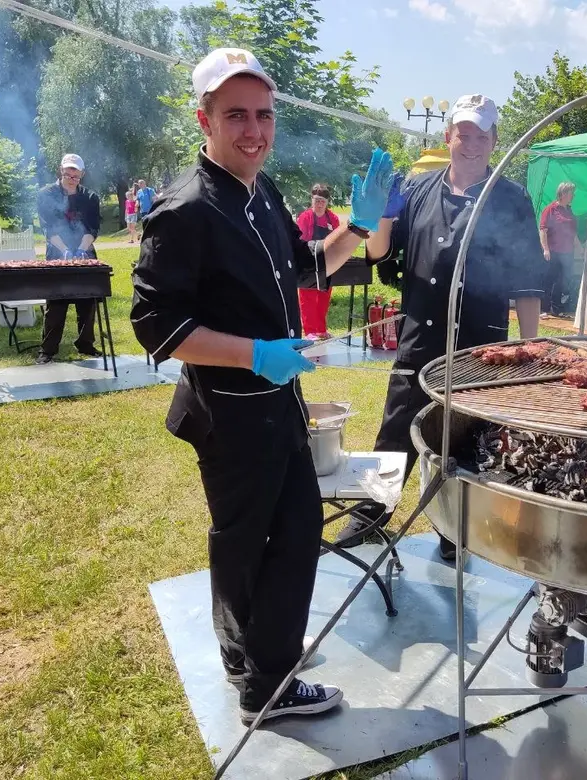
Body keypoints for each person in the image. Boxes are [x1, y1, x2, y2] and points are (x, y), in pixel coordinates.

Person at [130, 47, 393, 726]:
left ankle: (254, 652)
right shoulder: (184, 210)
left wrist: (357, 227)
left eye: (264, 115)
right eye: (236, 115)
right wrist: (254, 354)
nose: (254, 129)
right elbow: (155, 325)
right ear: (205, 120)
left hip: (280, 405)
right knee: (251, 538)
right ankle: (266, 687)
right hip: (229, 411)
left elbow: (309, 269)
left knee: (287, 530)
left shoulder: (262, 191)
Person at [335, 93, 546, 560]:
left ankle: (456, 531)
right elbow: (379, 257)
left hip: (479, 345)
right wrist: (385, 215)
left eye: (482, 136)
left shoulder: (511, 200)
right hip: (419, 338)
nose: (471, 143)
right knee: (396, 429)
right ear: (449, 135)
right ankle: (370, 516)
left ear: (494, 142)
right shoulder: (418, 190)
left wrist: (531, 354)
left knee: (467, 439)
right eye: (463, 133)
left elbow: (528, 284)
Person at [35, 153, 104, 365]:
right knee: (56, 303)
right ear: (61, 169)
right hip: (57, 252)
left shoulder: (90, 197)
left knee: (88, 301)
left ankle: (85, 343)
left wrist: (82, 250)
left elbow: (93, 227)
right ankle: (47, 350)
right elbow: (48, 227)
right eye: (69, 170)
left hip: (84, 251)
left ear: (82, 173)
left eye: (76, 171)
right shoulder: (46, 194)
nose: (72, 175)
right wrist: (65, 250)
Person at [296, 183, 341, 339]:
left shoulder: (333, 218)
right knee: (307, 296)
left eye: (322, 201)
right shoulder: (305, 217)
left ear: (327, 202)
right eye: (317, 201)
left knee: (324, 295)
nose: (320, 204)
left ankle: (321, 329)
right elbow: (301, 240)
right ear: (312, 200)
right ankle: (309, 331)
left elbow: (337, 239)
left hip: (327, 261)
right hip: (308, 260)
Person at [539, 181, 584, 317]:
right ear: (563, 194)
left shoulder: (568, 210)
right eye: (571, 193)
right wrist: (546, 249)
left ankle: (556, 309)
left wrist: (580, 247)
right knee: (550, 279)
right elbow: (543, 230)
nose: (573, 196)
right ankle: (544, 309)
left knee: (562, 280)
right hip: (553, 251)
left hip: (567, 252)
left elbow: (572, 232)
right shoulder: (550, 209)